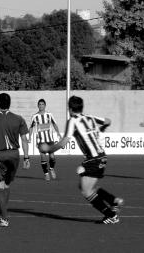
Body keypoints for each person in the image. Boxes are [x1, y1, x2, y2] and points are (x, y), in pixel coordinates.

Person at [39, 96, 124, 224]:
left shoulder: (72, 121)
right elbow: (108, 121)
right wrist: (100, 130)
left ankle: (111, 215)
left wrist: (49, 149)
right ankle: (113, 201)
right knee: (85, 186)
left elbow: (63, 143)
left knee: (86, 191)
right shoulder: (90, 117)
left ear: (70, 109)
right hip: (102, 157)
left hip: (93, 159)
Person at [0, 93, 29, 227]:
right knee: (7, 185)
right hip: (14, 155)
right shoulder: (19, 119)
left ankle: (4, 217)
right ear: (10, 103)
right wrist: (26, 157)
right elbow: (25, 139)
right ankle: (1, 214)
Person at [28, 99, 62, 181]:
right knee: (43, 157)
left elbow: (54, 124)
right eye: (39, 104)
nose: (41, 106)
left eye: (42, 104)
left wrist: (58, 133)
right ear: (38, 106)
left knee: (52, 157)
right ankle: (46, 174)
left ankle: (51, 168)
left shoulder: (49, 115)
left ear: (45, 105)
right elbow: (31, 127)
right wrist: (29, 137)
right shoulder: (35, 116)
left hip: (50, 139)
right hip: (41, 141)